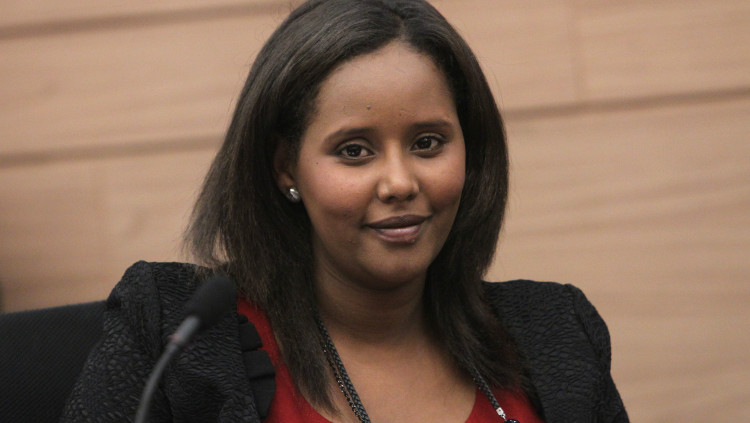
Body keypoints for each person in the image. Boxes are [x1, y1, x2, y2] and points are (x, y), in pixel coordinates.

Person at [62, 0, 628, 422]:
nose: (400, 182)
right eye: (354, 151)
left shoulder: (558, 331)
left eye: (428, 143)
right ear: (286, 167)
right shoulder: (177, 334)